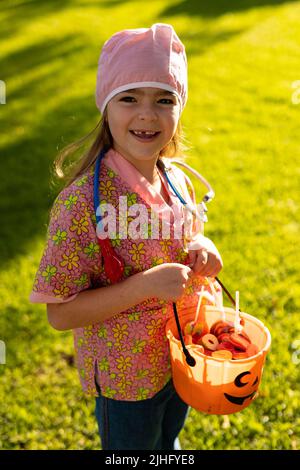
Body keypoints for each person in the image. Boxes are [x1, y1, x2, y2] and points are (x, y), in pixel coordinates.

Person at [30, 23, 223, 450]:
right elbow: (60, 315)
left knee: (167, 443)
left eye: (164, 99)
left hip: (182, 354)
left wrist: (202, 248)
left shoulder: (176, 179)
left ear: (180, 108)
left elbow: (187, 234)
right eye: (129, 98)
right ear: (106, 106)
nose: (147, 114)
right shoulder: (82, 205)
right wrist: (144, 287)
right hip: (127, 379)